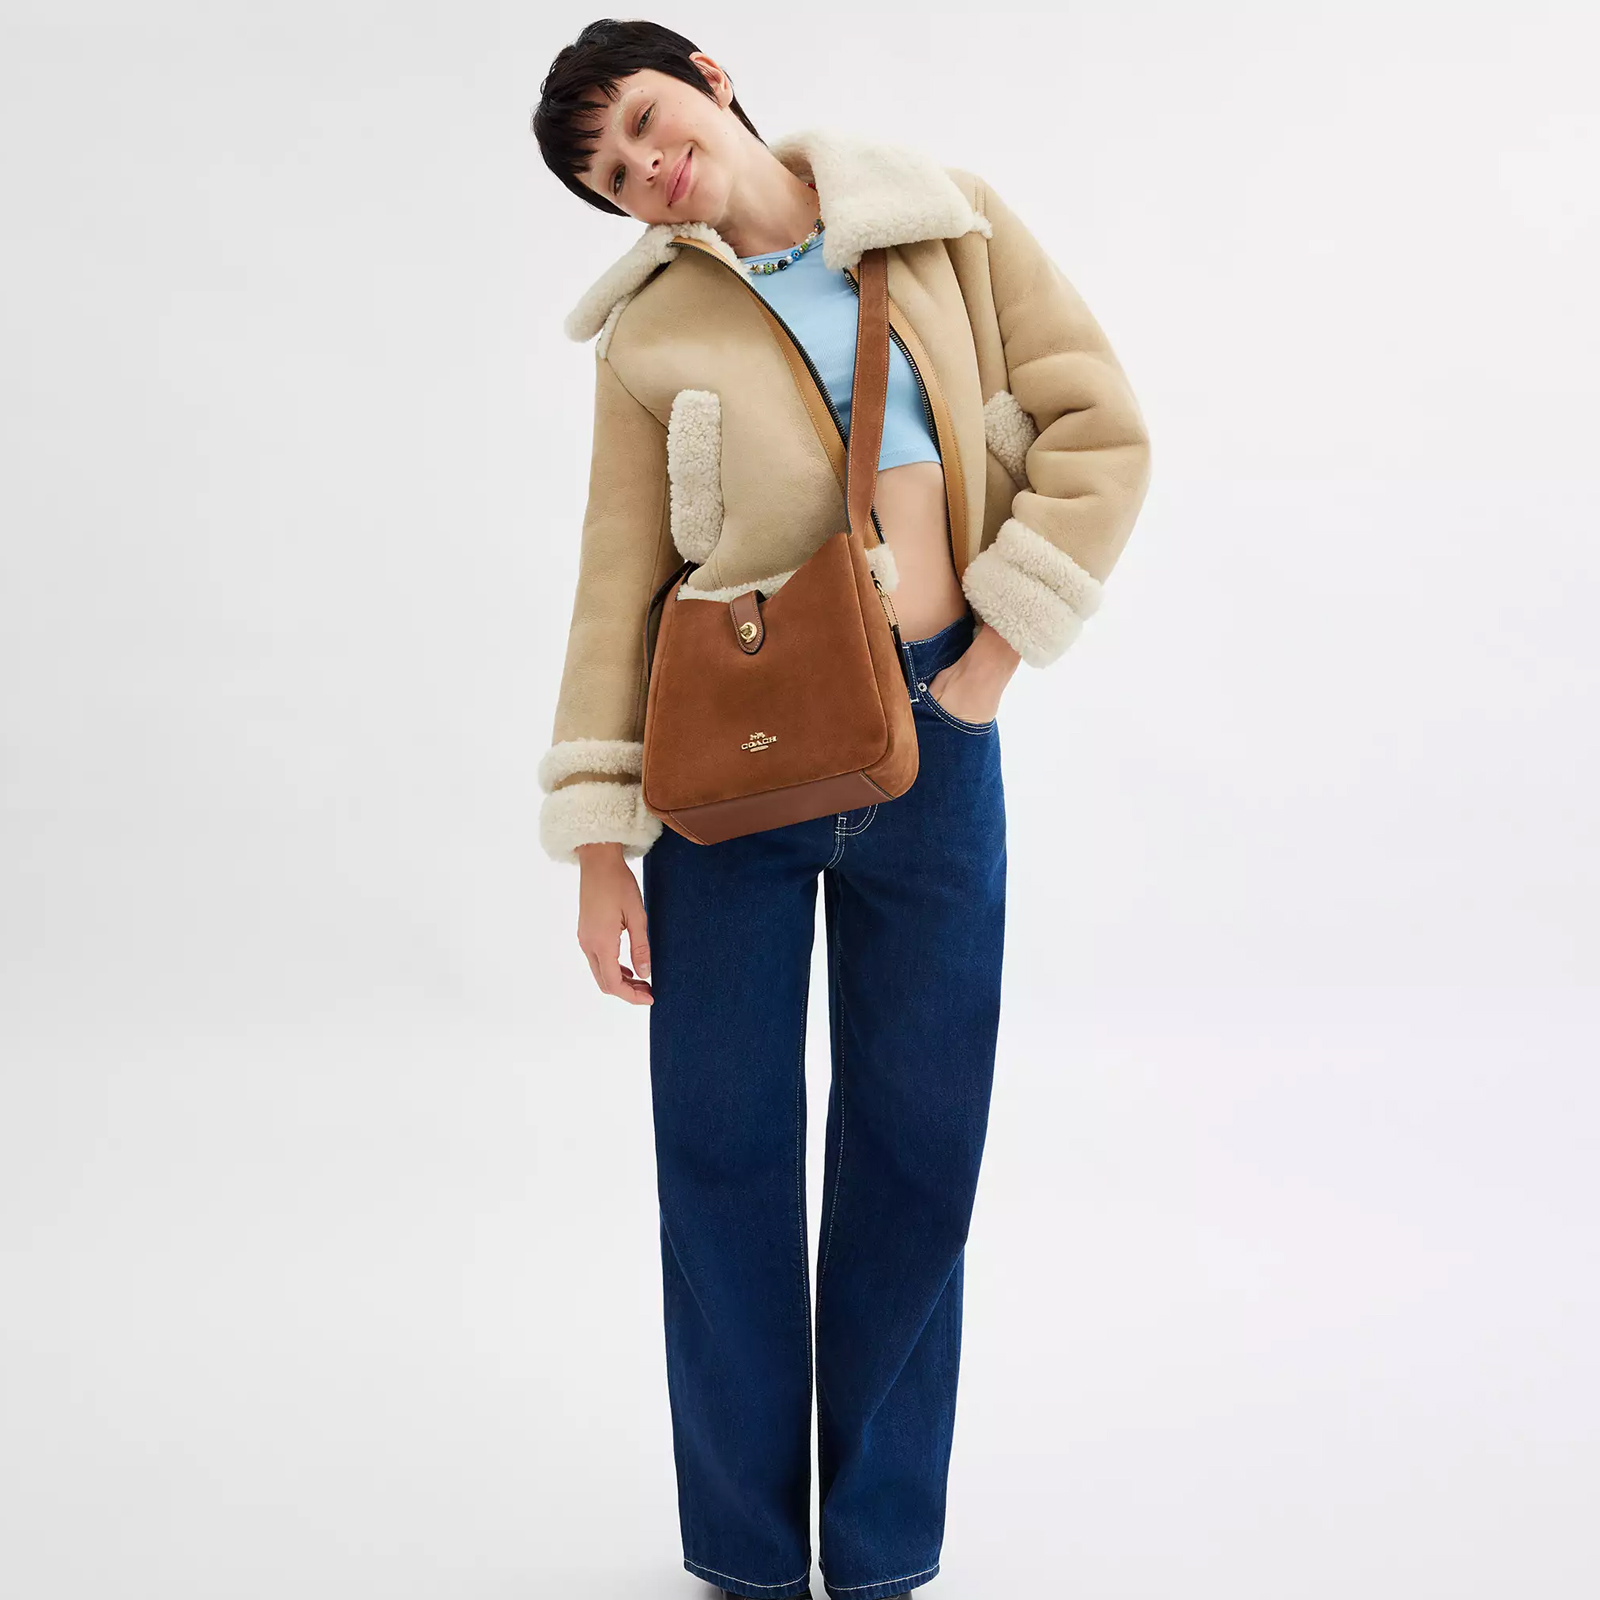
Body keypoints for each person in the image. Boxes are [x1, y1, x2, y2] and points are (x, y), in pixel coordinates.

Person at [531, 21, 1151, 1600]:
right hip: (727, 778)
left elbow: (1100, 430)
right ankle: (746, 1558)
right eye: (614, 174)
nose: (647, 166)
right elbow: (618, 583)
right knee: (720, 1156)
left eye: (646, 120)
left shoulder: (941, 219)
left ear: (708, 73)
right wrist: (600, 842)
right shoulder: (648, 335)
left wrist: (990, 666)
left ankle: (878, 1555)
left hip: (938, 741)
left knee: (917, 1153)